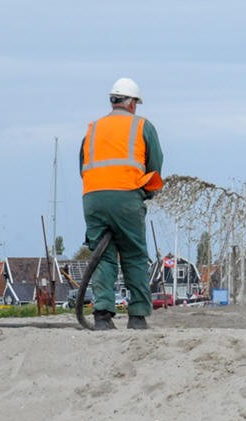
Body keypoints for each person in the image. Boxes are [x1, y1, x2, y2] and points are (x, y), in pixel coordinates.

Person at [79, 77, 164, 330]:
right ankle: (137, 316)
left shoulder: (93, 128)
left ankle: (102, 316)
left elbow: (82, 166)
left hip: (93, 198)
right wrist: (146, 193)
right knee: (134, 253)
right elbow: (155, 164)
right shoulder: (142, 126)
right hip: (126, 196)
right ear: (132, 104)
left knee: (102, 256)